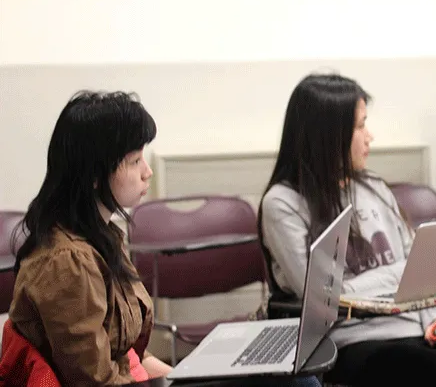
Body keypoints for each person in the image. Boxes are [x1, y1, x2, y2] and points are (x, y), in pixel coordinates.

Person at [7, 91, 321, 387]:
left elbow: (130, 356)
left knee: (290, 372)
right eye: (134, 161)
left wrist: (194, 378)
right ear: (93, 175)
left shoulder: (101, 237)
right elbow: (97, 381)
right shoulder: (66, 262)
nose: (148, 172)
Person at [259, 73, 436, 387]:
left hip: (417, 329)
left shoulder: (374, 188)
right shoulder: (283, 203)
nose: (370, 136)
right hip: (352, 344)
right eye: (359, 126)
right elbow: (322, 295)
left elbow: (421, 266)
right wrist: (404, 274)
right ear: (328, 135)